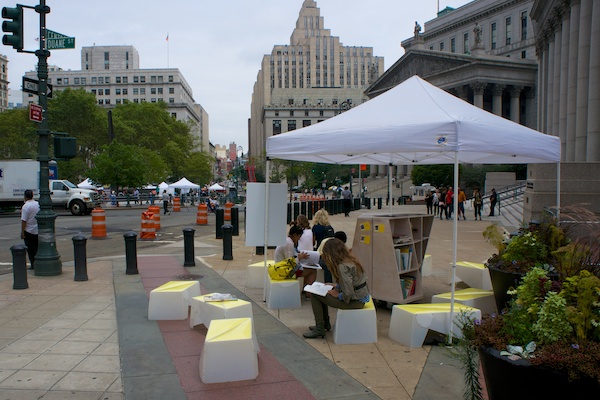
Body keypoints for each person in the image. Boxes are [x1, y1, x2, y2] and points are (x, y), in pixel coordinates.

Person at [303, 238, 370, 338]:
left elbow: (348, 293)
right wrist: (336, 286)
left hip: (355, 301)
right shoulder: (350, 260)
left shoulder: (342, 266)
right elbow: (352, 283)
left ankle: (320, 328)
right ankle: (324, 324)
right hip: (360, 297)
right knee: (321, 293)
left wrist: (338, 295)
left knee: (315, 294)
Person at [274, 225, 317, 297]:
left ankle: (305, 290)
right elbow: (290, 262)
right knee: (313, 270)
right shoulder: (289, 243)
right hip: (285, 271)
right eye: (299, 237)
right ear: (295, 235)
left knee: (308, 268)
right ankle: (308, 294)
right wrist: (300, 257)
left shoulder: (286, 240)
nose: (299, 239)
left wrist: (299, 256)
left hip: (281, 268)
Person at [21, 189, 40, 270]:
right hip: (37, 230)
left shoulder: (25, 206)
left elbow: (24, 220)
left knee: (30, 250)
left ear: (25, 196)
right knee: (37, 248)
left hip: (29, 230)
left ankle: (33, 264)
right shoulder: (37, 204)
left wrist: (22, 231)